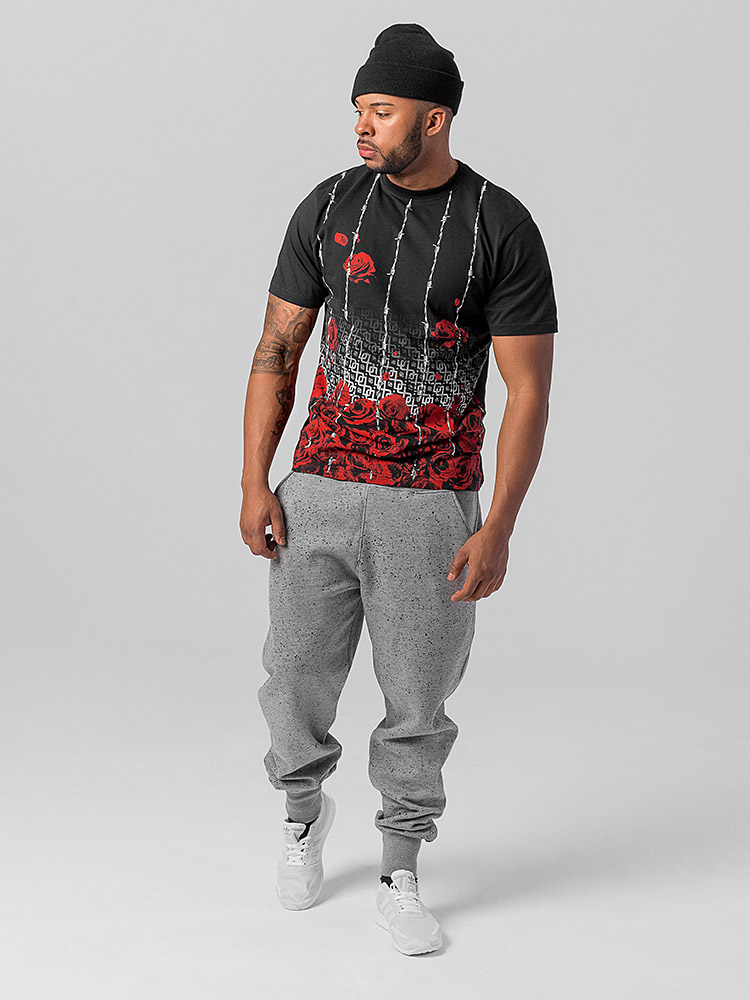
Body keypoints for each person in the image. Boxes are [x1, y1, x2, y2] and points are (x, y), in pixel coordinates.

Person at [239, 22, 558, 956]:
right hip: (318, 489)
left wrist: (499, 524)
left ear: (435, 117)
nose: (362, 127)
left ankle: (400, 867)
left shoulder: (500, 225)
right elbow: (277, 347)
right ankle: (302, 816)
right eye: (358, 110)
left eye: (381, 111)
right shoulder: (329, 205)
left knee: (418, 700)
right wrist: (255, 480)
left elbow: (529, 391)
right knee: (293, 679)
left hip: (430, 504)